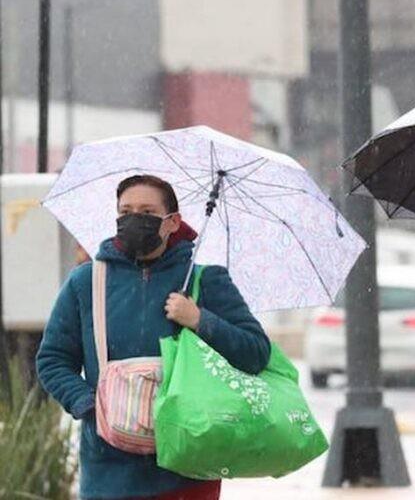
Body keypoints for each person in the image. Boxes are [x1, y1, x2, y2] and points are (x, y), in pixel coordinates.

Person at [37, 175, 271, 500]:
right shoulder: (85, 282)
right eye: (125, 212)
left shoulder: (206, 280)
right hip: (109, 472)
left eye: (147, 212)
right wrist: (91, 406)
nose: (134, 220)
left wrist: (200, 320)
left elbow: (256, 353)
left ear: (172, 222)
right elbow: (52, 360)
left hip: (188, 467)